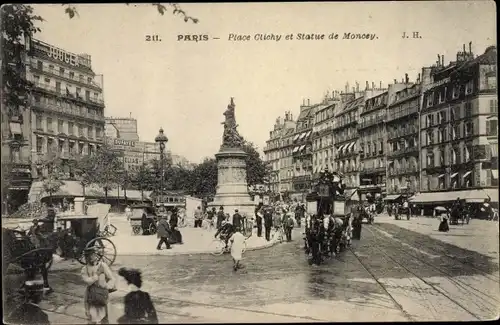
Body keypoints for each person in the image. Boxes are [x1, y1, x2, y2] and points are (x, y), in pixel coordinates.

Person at [81, 247, 116, 324]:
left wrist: (107, 286)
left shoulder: (103, 265)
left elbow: (111, 278)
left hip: (102, 295)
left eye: (92, 255)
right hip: (91, 296)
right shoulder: (84, 269)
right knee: (91, 319)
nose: (90, 258)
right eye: (88, 256)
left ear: (95, 255)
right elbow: (88, 282)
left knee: (105, 319)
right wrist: (97, 274)